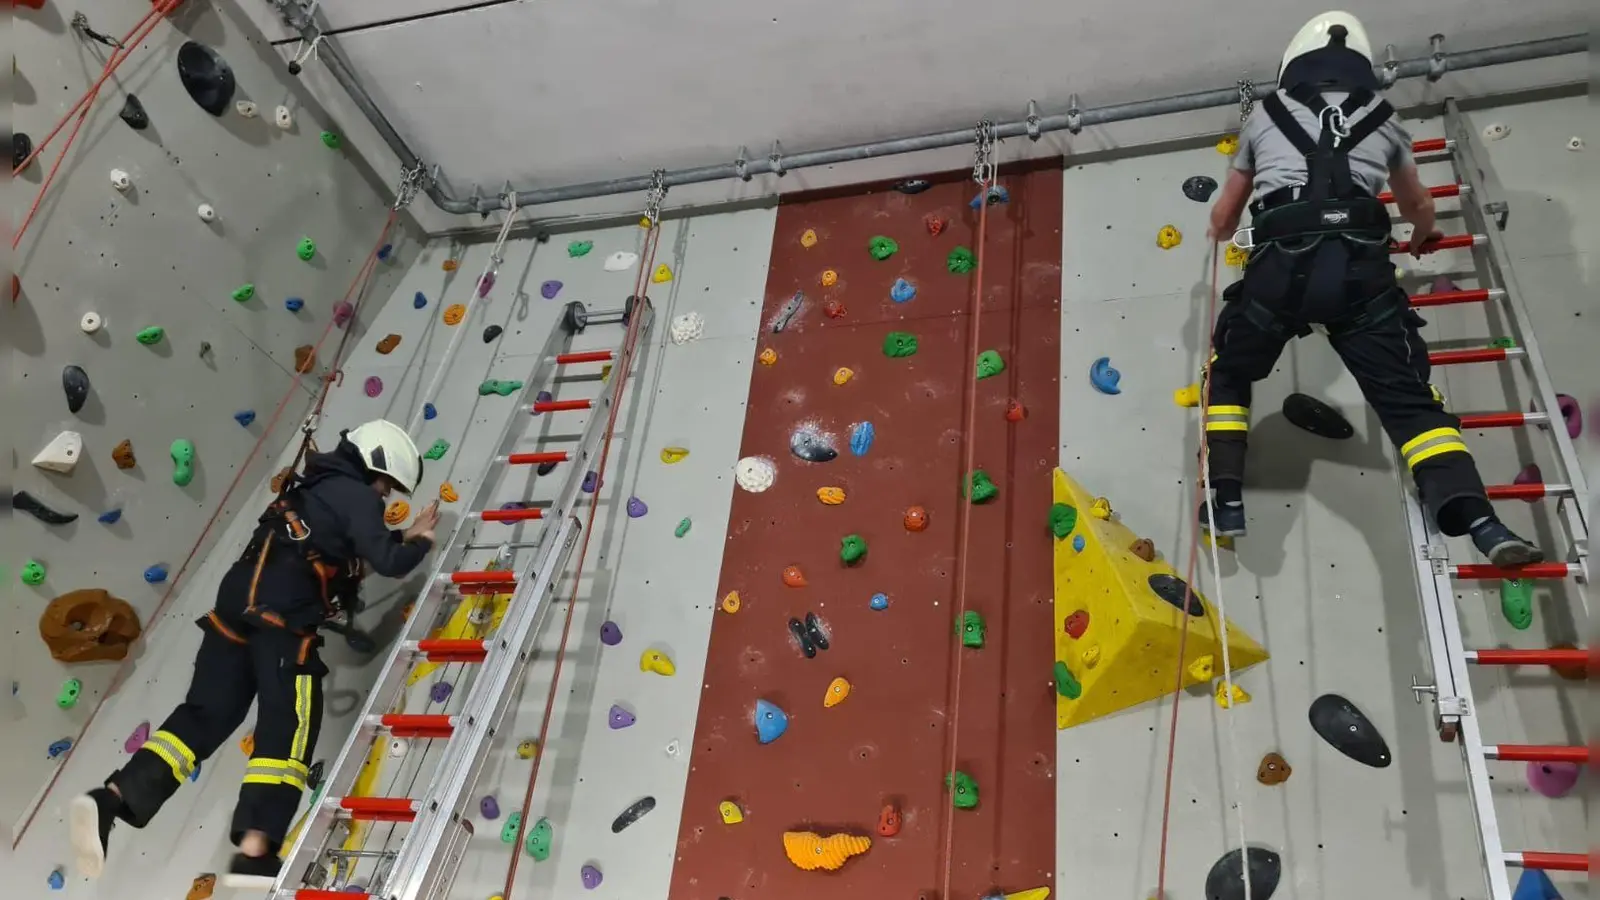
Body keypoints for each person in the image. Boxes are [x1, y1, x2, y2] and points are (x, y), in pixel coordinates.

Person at [1198, 11, 1542, 567]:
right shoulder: (1384, 118)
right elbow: (1418, 206)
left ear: (1293, 70)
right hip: (1360, 274)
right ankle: (1481, 522)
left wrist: (1219, 230)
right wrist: (1423, 236)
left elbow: (1224, 212)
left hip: (1278, 272)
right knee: (1409, 404)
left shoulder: (1265, 115)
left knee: (1232, 371)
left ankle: (1228, 497)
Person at [70, 419, 442, 888]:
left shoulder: (315, 486)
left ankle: (112, 797)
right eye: (387, 483)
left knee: (206, 713)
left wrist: (399, 535)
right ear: (376, 463)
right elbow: (388, 562)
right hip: (281, 612)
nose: (385, 494)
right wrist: (423, 540)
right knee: (290, 722)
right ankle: (256, 849)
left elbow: (353, 545)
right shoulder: (358, 495)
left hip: (236, 603)